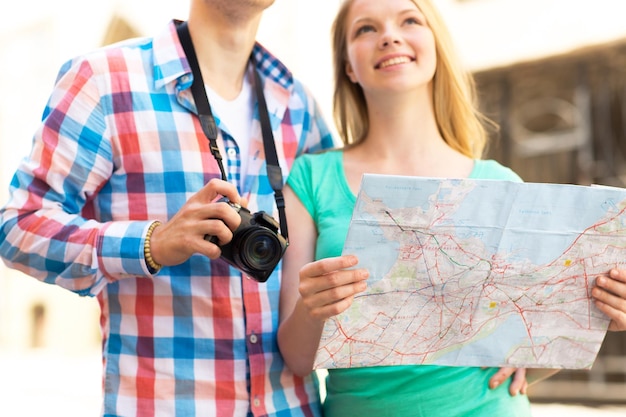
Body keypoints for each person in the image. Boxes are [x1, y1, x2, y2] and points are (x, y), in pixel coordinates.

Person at [275, 0, 626, 415]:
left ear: (436, 46)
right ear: (348, 66)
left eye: (409, 20)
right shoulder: (311, 179)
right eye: (365, 29)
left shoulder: (501, 184)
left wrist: (597, 314)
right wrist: (314, 309)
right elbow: (297, 360)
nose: (389, 35)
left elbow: (528, 355)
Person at [0, 0, 337, 416]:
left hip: (291, 406)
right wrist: (151, 243)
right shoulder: (104, 81)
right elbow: (18, 226)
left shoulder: (299, 105)